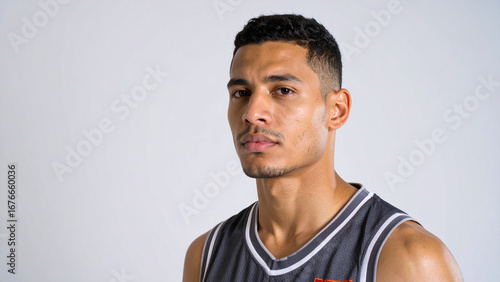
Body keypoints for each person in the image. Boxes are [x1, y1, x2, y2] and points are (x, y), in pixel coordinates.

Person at [183, 14, 463, 282]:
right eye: (241, 93)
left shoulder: (408, 258)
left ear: (336, 110)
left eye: (283, 90)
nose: (252, 112)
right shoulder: (206, 255)